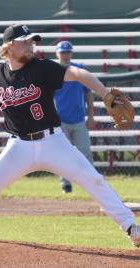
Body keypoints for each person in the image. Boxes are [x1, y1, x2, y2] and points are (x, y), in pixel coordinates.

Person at [0, 24, 140, 247]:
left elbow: (79, 74)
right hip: (18, 147)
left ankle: (132, 229)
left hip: (53, 142)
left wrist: (103, 92)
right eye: (25, 42)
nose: (31, 46)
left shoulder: (42, 68)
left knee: (93, 179)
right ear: (9, 46)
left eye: (32, 41)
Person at [54, 41, 95, 193]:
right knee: (63, 155)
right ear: (57, 54)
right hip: (60, 120)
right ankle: (66, 184)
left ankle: (92, 183)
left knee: (85, 152)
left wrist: (91, 115)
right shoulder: (52, 71)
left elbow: (88, 94)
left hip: (79, 119)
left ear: (71, 53)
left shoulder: (80, 70)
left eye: (67, 52)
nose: (65, 55)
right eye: (62, 52)